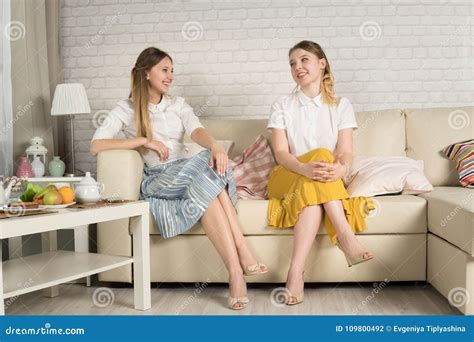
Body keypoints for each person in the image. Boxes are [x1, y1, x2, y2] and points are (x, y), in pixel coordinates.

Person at [90, 47, 267, 310]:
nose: (170, 76)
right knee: (206, 171)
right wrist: (143, 140)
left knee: (208, 172)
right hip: (160, 178)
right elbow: (96, 145)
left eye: (172, 70)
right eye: (164, 69)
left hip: (189, 172)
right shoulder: (125, 108)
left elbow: (196, 131)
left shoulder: (178, 104)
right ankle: (243, 250)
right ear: (146, 73)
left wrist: (216, 147)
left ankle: (235, 274)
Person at [267, 40, 375, 306]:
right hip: (286, 176)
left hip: (317, 181)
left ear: (321, 64)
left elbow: (346, 153)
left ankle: (295, 272)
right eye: (292, 63)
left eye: (304, 60)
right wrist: (305, 167)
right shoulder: (282, 104)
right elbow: (281, 154)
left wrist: (341, 168)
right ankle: (346, 237)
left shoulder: (341, 105)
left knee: (313, 201)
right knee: (322, 155)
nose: (297, 67)